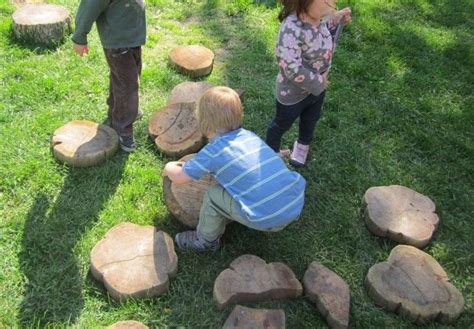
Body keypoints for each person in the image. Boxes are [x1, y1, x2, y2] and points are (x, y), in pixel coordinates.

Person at [163, 87, 306, 251]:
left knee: (212, 197)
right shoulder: (249, 136)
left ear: (205, 123)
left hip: (268, 217)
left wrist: (168, 167)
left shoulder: (213, 152)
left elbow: (181, 177)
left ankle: (205, 241)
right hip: (294, 201)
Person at [266, 0, 352, 166]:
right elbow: (290, 67)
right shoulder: (291, 28)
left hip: (316, 90)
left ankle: (302, 146)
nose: (333, 4)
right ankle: (271, 152)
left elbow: (325, 32)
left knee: (311, 119)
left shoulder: (318, 16)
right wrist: (320, 82)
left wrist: (337, 20)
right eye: (327, 1)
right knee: (282, 123)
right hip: (292, 94)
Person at [71, 0, 146, 152]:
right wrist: (79, 37)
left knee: (124, 78)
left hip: (133, 37)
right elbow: (88, 8)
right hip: (117, 43)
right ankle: (123, 128)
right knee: (128, 86)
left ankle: (117, 110)